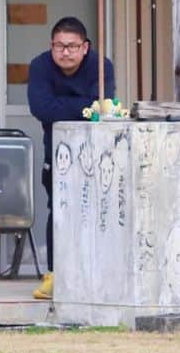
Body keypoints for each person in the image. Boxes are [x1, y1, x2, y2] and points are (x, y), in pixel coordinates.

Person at [26, 16, 114, 300]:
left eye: (72, 46)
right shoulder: (40, 66)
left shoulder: (102, 67)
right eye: (59, 46)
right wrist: (83, 107)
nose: (65, 52)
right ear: (51, 46)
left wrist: (72, 107)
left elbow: (104, 108)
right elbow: (41, 108)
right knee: (58, 211)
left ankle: (97, 274)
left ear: (85, 47)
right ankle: (54, 274)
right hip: (56, 150)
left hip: (97, 153)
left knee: (97, 211)